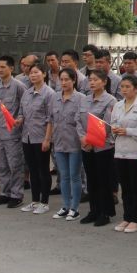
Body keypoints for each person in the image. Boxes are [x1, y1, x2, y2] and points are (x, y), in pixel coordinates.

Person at [77, 68, 117, 226]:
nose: (92, 82)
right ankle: (93, 210)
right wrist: (82, 137)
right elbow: (77, 120)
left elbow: (107, 125)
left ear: (104, 82)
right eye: (90, 80)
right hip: (86, 146)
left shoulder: (110, 101)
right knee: (91, 179)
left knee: (103, 180)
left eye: (95, 80)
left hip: (103, 147)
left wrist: (91, 140)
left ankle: (105, 212)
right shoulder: (84, 100)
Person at [0, 55, 27, 208]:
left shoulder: (18, 86)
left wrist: (20, 123)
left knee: (15, 165)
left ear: (11, 68)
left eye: (3, 67)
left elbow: (25, 107)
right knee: (1, 165)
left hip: (13, 133)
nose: (0, 70)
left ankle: (17, 195)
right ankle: (5, 193)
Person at [111, 73, 137, 233]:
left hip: (136, 152)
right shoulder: (118, 105)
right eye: (122, 87)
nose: (124, 90)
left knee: (136, 187)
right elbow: (112, 122)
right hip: (120, 152)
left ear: (136, 88)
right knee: (125, 187)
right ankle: (126, 217)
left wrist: (127, 131)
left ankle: (135, 219)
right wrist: (114, 129)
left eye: (128, 87)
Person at [50, 66, 87, 220]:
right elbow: (51, 120)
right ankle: (65, 206)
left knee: (74, 176)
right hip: (59, 142)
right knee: (63, 176)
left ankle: (74, 208)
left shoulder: (81, 98)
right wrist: (48, 138)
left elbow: (81, 121)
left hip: (74, 143)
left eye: (67, 79)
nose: (64, 82)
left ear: (74, 80)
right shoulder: (55, 97)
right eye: (61, 80)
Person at [17, 64, 55, 214]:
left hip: (41, 137)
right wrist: (19, 119)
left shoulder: (49, 94)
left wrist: (47, 139)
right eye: (31, 73)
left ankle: (44, 202)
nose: (32, 75)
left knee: (43, 170)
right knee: (32, 169)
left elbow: (50, 119)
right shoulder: (27, 93)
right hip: (27, 137)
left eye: (36, 72)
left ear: (44, 74)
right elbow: (21, 112)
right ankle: (35, 201)